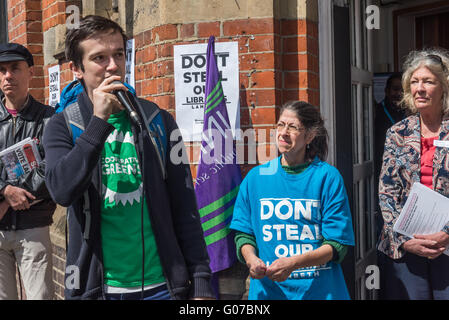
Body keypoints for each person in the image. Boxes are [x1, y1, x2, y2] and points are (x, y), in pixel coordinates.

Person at [43, 15, 214, 300]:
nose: (113, 66)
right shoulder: (63, 125)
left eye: (119, 54)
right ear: (77, 69)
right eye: (99, 58)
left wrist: (200, 279)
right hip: (100, 288)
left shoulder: (156, 120)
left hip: (163, 287)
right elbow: (62, 190)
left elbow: (184, 206)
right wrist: (99, 122)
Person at [230, 101, 355, 300]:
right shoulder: (255, 178)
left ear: (310, 136)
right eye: (280, 125)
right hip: (267, 293)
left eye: (293, 127)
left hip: (320, 292)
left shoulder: (327, 177)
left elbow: (336, 244)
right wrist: (251, 259)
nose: (283, 133)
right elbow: (244, 233)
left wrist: (294, 263)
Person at [378, 48, 449, 300]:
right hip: (405, 246)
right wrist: (404, 240)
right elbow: (387, 192)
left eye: (428, 81)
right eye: (415, 82)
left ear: (443, 87)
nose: (420, 88)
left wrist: (447, 234)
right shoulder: (397, 133)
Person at [0, 43, 56, 300]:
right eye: (1, 70)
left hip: (33, 226)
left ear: (30, 73)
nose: (7, 76)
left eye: (14, 68)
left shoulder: (50, 118)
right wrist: (4, 191)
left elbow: (52, 169)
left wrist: (12, 199)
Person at [374, 74, 407, 238]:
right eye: (395, 89)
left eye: (402, 89)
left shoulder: (411, 114)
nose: (398, 93)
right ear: (386, 91)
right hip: (381, 171)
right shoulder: (377, 112)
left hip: (407, 174)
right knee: (385, 217)